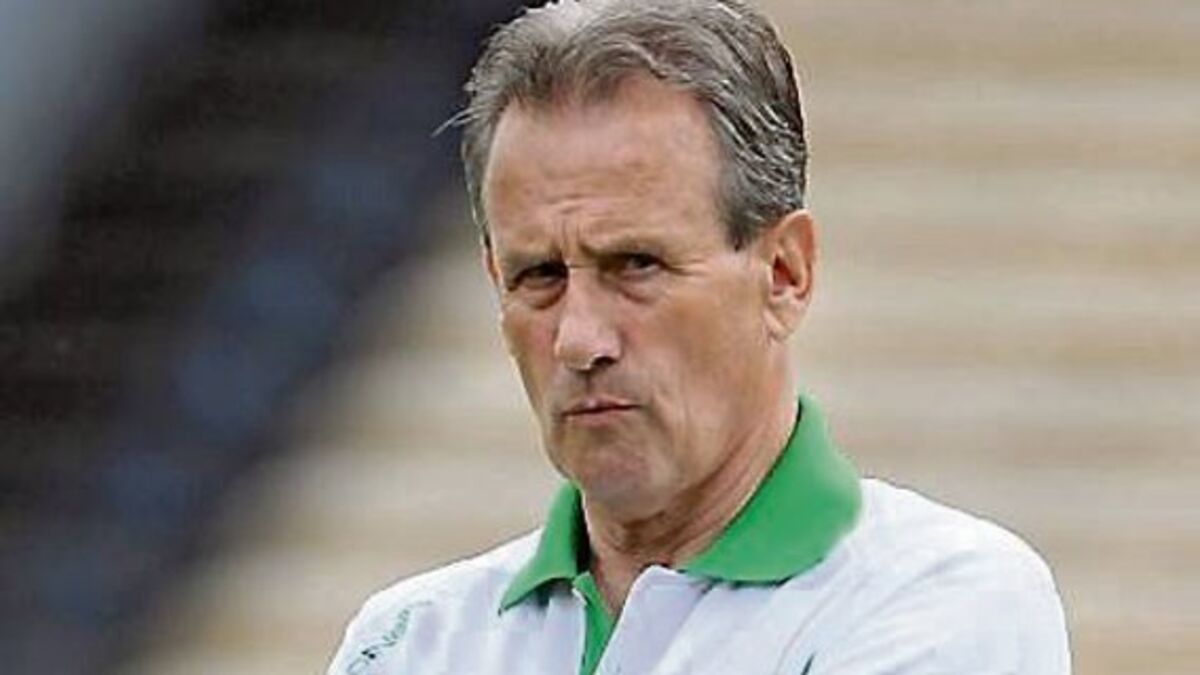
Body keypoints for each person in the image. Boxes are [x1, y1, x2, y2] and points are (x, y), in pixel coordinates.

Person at [327, 1, 1072, 673]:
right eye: (540, 276)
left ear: (784, 274)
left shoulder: (946, 599)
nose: (579, 340)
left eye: (636, 265)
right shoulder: (406, 637)